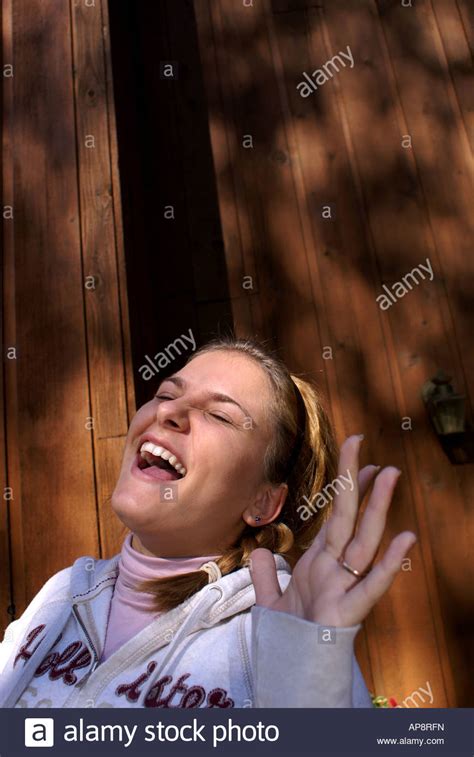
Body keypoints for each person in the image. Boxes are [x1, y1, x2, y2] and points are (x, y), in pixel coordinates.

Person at [0, 337, 416, 708]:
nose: (169, 412)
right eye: (166, 393)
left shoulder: (276, 630)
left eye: (219, 416)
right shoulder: (60, 594)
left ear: (263, 501)